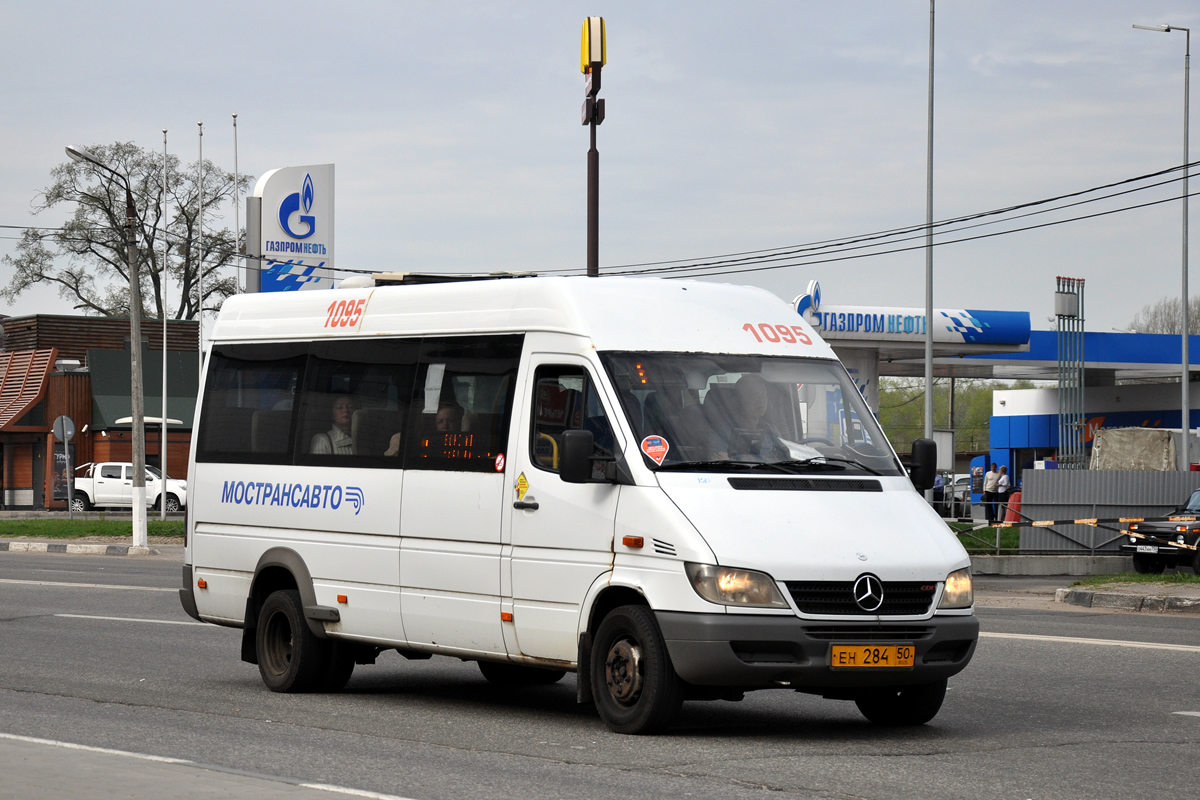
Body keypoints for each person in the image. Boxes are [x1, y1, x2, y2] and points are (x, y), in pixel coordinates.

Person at [711, 374, 785, 461]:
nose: (761, 400)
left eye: (763, 395)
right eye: (754, 395)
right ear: (737, 400)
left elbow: (787, 455)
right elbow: (719, 464)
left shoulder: (770, 430)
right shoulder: (722, 431)